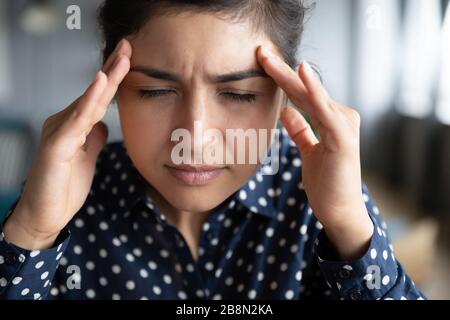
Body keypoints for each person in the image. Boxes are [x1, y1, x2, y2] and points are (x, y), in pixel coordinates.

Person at [0, 0, 426, 300]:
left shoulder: (322, 201)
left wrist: (350, 230)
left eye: (238, 94)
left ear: (284, 93)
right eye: (155, 91)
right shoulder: (69, 202)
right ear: (110, 90)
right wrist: (33, 232)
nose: (196, 136)